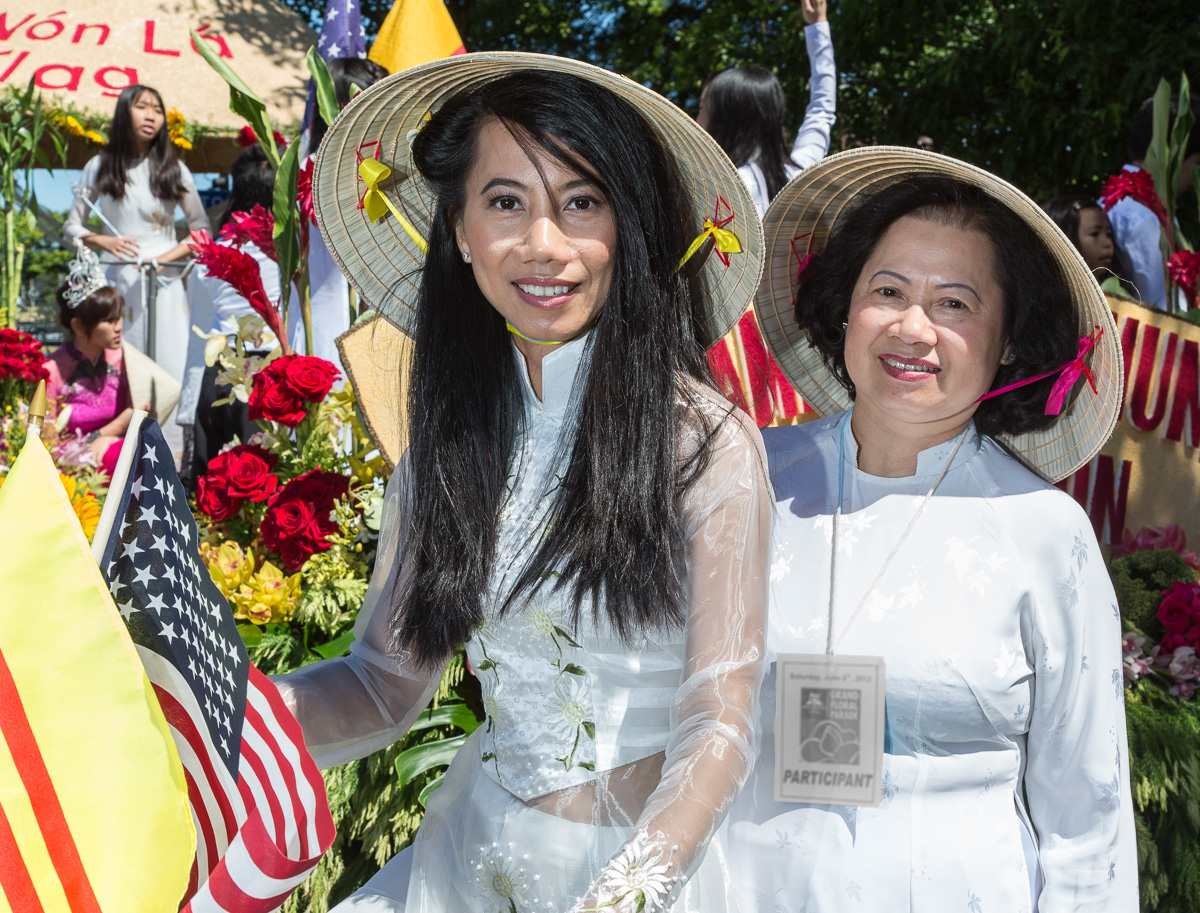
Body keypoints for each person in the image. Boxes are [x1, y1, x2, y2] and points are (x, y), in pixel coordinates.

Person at [273, 54, 770, 913]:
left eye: (583, 203)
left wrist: (626, 895)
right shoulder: (451, 440)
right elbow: (383, 682)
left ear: (629, 228)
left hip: (651, 880)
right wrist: (239, 720)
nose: (545, 244)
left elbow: (720, 717)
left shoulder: (704, 440)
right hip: (473, 860)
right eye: (506, 203)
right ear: (461, 230)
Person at [731, 149, 1137, 912]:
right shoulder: (742, 478)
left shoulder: (1045, 533)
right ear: (846, 305)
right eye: (887, 290)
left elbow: (1090, 819)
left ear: (1009, 339)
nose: (912, 327)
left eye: (955, 303)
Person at [63, 84, 211, 376]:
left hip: (164, 282)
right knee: (120, 369)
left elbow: (202, 230)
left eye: (158, 110)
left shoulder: (175, 169)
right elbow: (71, 227)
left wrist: (164, 260)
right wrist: (103, 241)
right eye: (142, 107)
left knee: (169, 366)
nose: (151, 116)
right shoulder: (98, 166)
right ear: (123, 112)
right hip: (117, 281)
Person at [180, 144, 281, 486]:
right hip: (270, 376)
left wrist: (190, 405)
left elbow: (199, 334)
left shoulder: (212, 255)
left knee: (220, 496)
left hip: (218, 375)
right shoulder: (291, 250)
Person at [288, 57, 389, 374]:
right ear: (344, 102)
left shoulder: (386, 166)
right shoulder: (313, 171)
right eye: (377, 92)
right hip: (326, 324)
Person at [44, 246, 179, 476]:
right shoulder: (52, 370)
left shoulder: (127, 360)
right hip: (65, 464)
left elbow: (144, 406)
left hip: (116, 452)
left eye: (119, 318)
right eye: (109, 320)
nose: (119, 327)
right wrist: (94, 443)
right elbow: (45, 439)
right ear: (78, 325)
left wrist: (106, 439)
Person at [697, 0, 836, 216]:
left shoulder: (719, 192)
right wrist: (818, 26)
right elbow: (822, 110)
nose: (695, 121)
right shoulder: (799, 175)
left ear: (725, 121)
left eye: (702, 108)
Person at [1106, 92, 1200, 309]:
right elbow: (1166, 310)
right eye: (1196, 162)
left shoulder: (1121, 203)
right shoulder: (1146, 216)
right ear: (1175, 152)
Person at [1043, 194, 1134, 297]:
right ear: (1064, 238)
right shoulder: (1053, 296)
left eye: (1108, 234)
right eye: (1095, 234)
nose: (1108, 243)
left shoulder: (1113, 289)